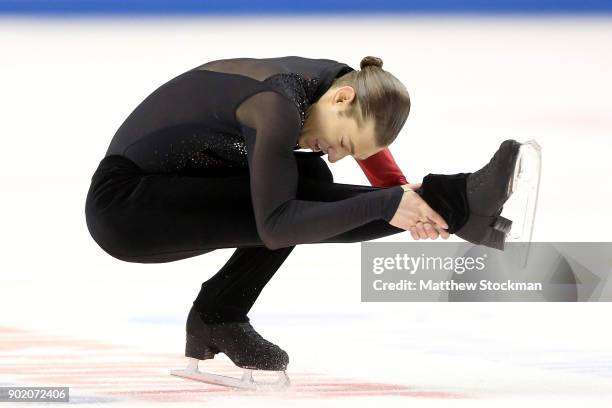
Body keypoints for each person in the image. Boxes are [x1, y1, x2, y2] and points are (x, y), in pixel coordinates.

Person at [84, 55, 525, 388]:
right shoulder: (273, 107)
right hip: (127, 209)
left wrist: (414, 205)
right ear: (342, 99)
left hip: (182, 183)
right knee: (296, 194)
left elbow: (377, 165)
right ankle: (463, 202)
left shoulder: (342, 84)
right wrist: (391, 205)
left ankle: (217, 318)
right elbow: (276, 226)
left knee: (310, 174)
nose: (338, 152)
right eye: (344, 142)